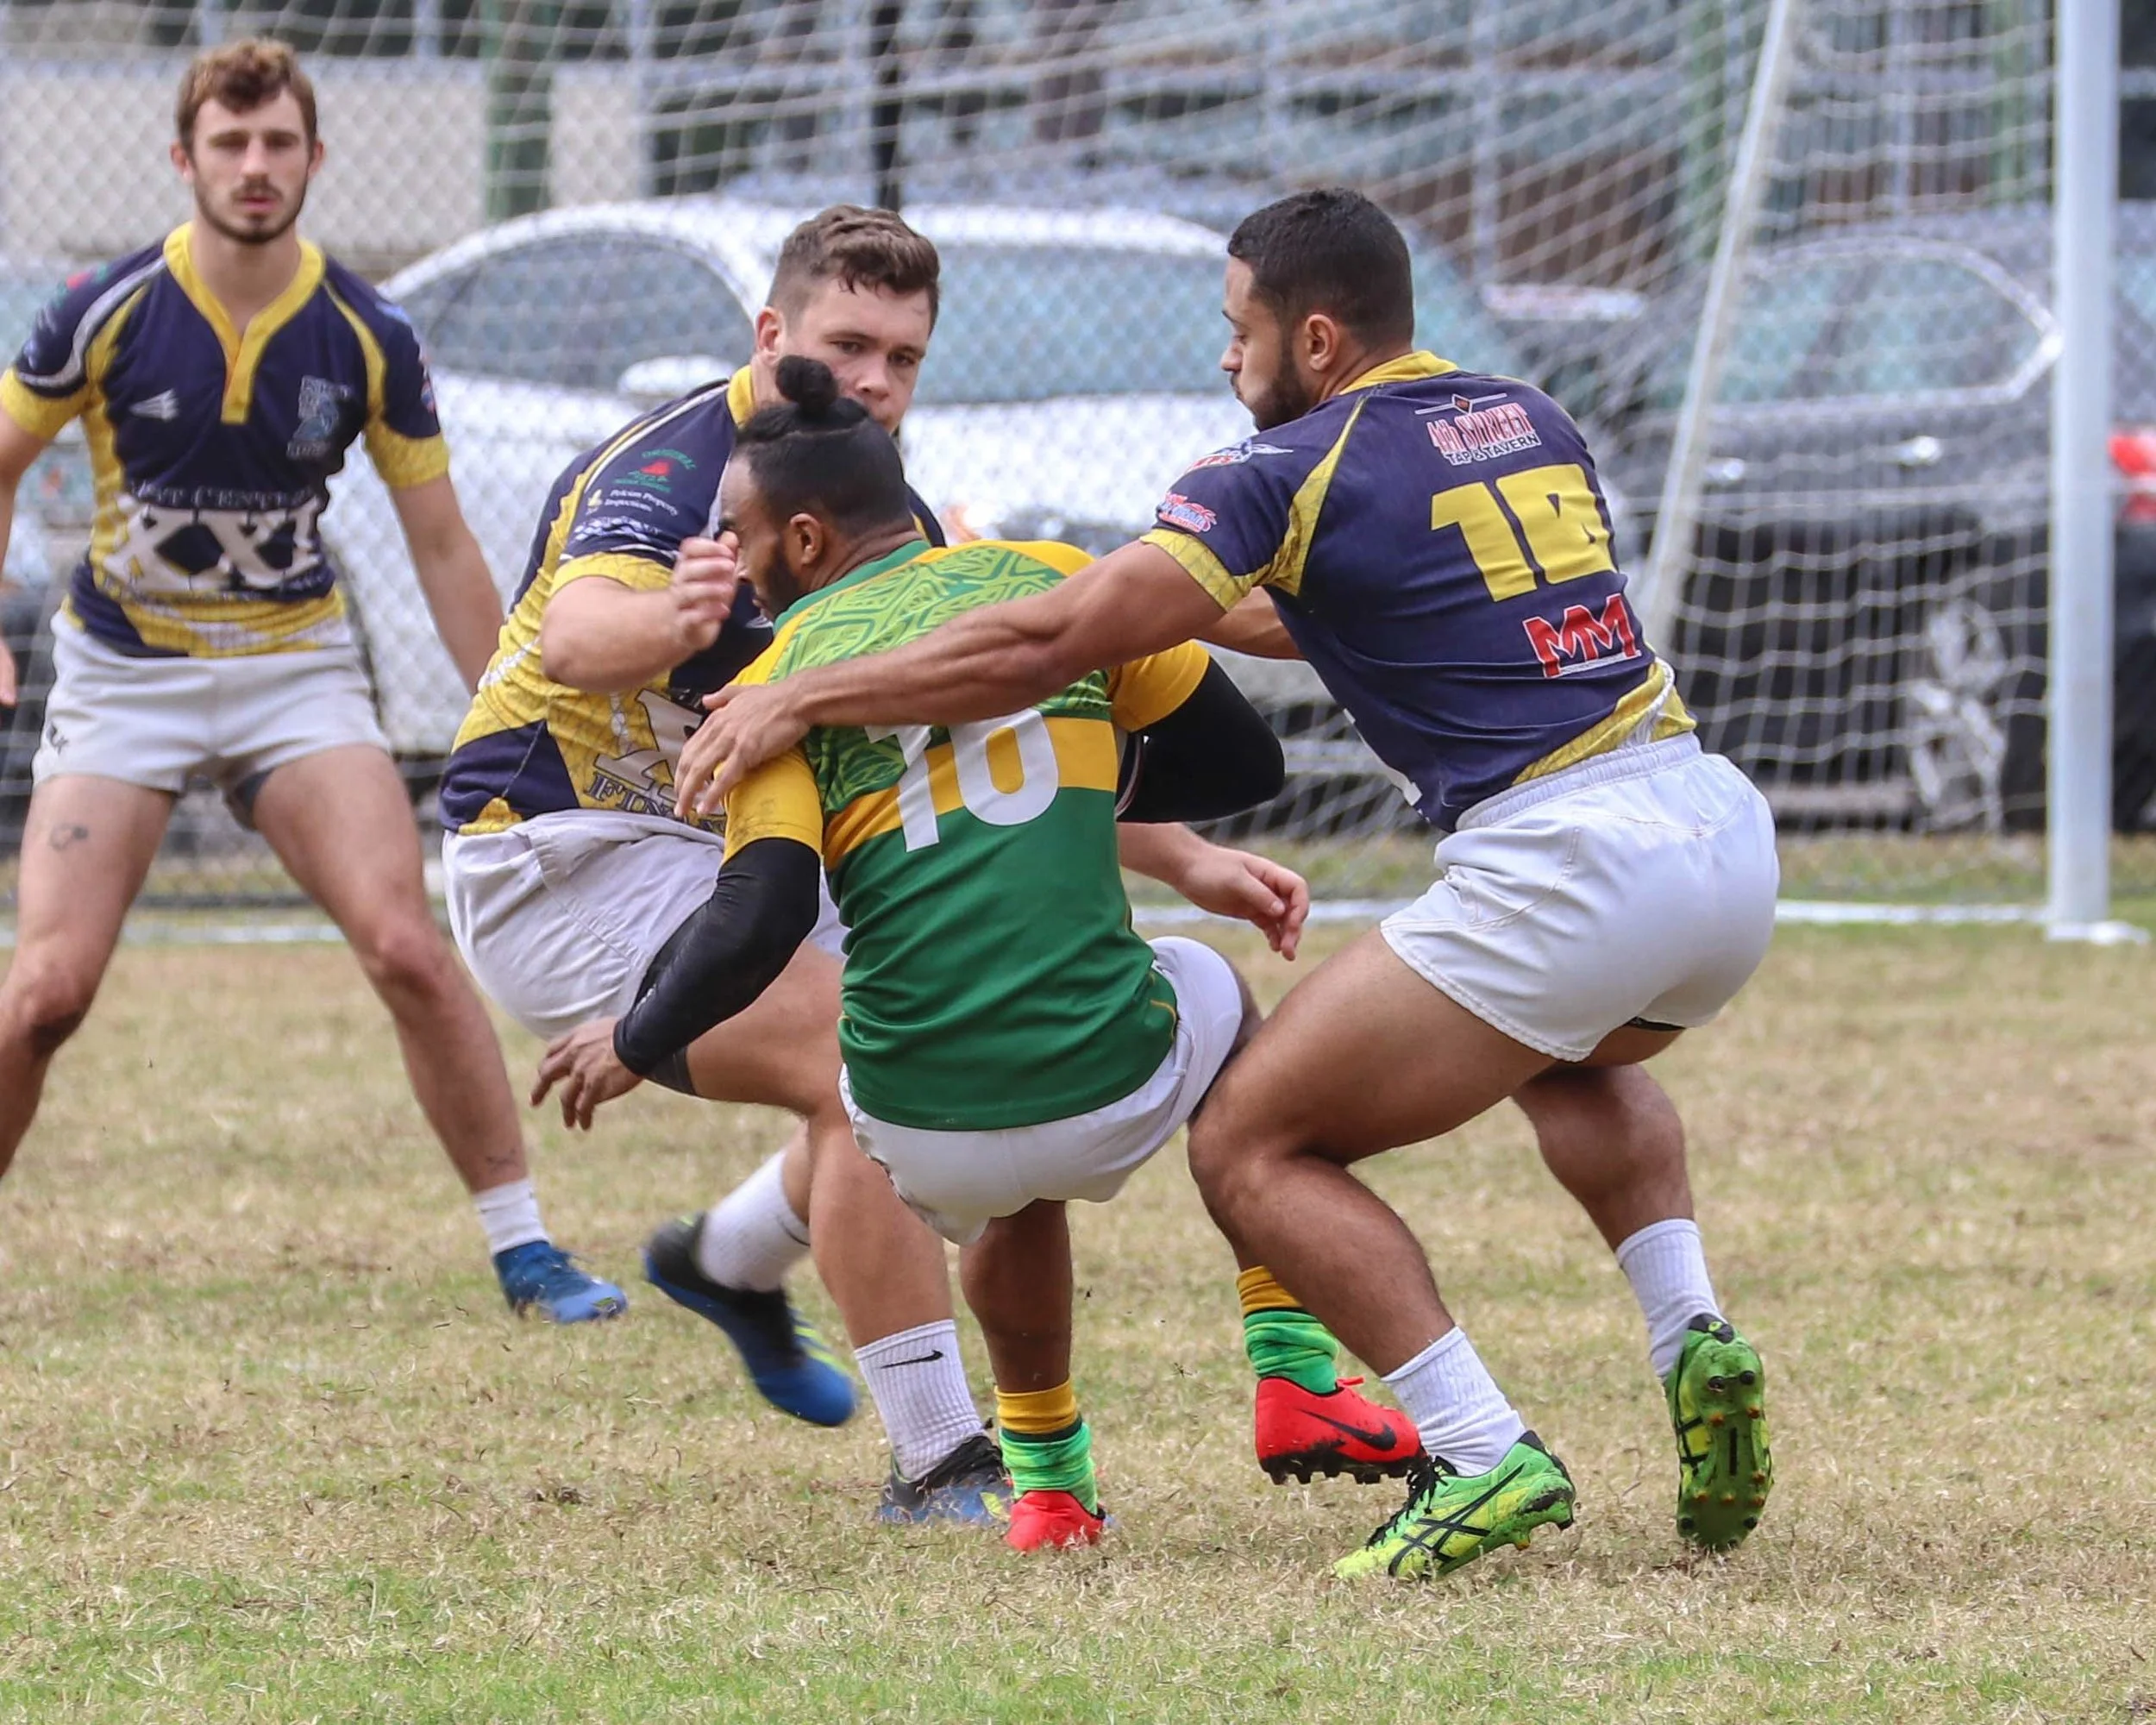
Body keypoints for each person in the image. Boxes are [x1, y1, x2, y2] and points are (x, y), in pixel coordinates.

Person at [674, 189, 1782, 1581]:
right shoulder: (1524, 415)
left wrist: (803, 692)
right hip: (1714, 837)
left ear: (1313, 340)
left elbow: (1050, 642)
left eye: (1237, 329)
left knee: (1253, 1142)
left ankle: (1478, 1448)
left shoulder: (1279, 469)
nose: (1224, 356)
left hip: (1564, 863)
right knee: (1568, 1054)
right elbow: (1321, 607)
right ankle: (1688, 1330)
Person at [442, 210, 1396, 1521]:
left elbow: (975, 739)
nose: (876, 381)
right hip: (569, 850)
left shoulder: (870, 511)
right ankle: (941, 1459)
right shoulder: (676, 468)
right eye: (847, 347)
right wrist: (681, 615)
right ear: (770, 336)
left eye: (903, 357)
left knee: (951, 1012)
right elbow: (575, 640)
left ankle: (727, 1259)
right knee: (877, 1050)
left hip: (731, 844)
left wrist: (1184, 859)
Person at [0, 39, 621, 1323]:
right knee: (46, 994)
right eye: (229, 143)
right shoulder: (105, 310)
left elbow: (440, 543)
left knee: (406, 946)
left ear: (315, 158)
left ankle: (526, 1251)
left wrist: (510, 710)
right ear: (184, 161)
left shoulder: (367, 333)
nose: (255, 165)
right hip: (126, 676)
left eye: (278, 142)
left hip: (294, 673)